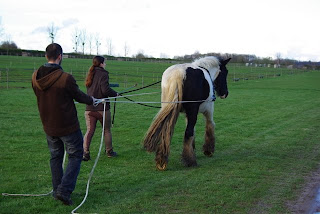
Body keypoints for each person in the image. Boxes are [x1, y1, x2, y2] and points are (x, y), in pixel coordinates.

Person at [32, 43, 94, 206]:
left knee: (55, 157)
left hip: (48, 126)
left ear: (46, 56)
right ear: (60, 56)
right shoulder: (65, 78)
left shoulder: (35, 77)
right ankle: (63, 190)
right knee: (75, 155)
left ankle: (57, 190)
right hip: (67, 126)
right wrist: (92, 100)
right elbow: (79, 96)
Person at [83, 56, 118, 161]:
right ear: (101, 64)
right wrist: (115, 94)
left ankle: (85, 153)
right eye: (105, 62)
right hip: (102, 109)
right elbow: (105, 90)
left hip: (89, 108)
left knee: (89, 131)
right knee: (106, 130)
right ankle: (109, 151)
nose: (105, 64)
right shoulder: (103, 74)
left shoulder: (90, 73)